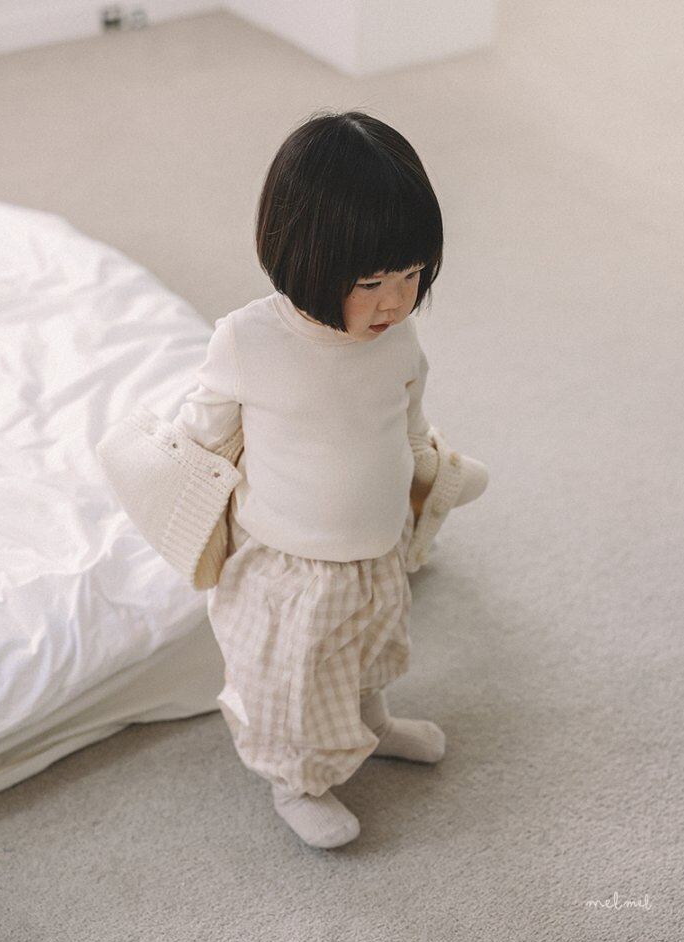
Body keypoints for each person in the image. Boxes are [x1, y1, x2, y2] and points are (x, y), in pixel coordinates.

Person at [170, 110, 488, 849]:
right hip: (292, 567)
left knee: (371, 649)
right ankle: (298, 780)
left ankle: (374, 723)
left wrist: (435, 475)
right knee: (296, 686)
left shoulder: (397, 338)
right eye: (371, 281)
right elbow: (204, 434)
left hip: (376, 548)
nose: (395, 301)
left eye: (412, 275)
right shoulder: (249, 340)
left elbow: (409, 423)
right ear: (301, 257)